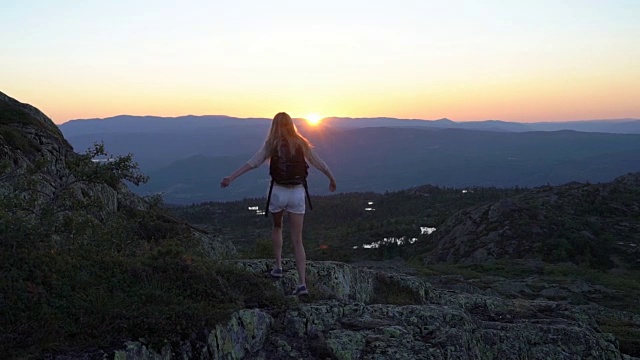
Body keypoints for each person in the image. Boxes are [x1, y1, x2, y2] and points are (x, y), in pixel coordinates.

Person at [220, 112, 336, 296]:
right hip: (298, 193)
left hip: (277, 192)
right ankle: (302, 284)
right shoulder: (301, 143)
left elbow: (254, 162)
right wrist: (331, 178)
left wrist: (231, 177)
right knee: (298, 240)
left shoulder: (272, 144)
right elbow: (318, 162)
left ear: (274, 125)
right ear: (291, 125)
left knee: (277, 227)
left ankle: (279, 266)